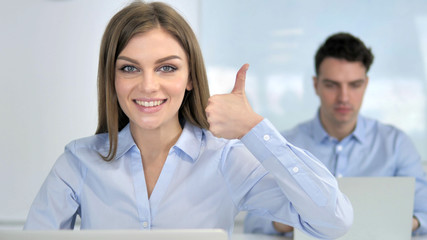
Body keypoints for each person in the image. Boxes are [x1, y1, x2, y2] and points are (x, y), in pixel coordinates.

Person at [23, 2, 353, 238]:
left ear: (190, 78)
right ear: (111, 79)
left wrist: (254, 128)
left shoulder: (226, 159)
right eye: (129, 68)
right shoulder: (79, 162)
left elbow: (332, 221)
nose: (148, 85)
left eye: (167, 67)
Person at [244, 32, 427, 236]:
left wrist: (396, 223)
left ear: (365, 84)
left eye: (354, 85)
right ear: (316, 85)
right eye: (332, 85)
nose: (344, 97)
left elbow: (424, 211)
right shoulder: (284, 144)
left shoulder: (396, 144)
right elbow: (254, 221)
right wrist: (292, 222)